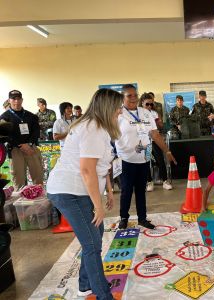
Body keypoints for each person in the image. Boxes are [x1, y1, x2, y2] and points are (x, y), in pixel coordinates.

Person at [47, 88, 121, 300]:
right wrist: (97, 206)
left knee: (95, 237)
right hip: (69, 191)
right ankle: (103, 295)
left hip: (80, 190)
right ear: (107, 108)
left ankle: (85, 285)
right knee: (92, 245)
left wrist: (108, 190)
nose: (120, 112)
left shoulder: (98, 128)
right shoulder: (92, 129)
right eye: (117, 108)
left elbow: (102, 164)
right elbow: (87, 170)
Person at [116, 84, 177, 230]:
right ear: (122, 97)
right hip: (125, 159)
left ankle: (142, 218)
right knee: (126, 190)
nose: (133, 98)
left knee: (141, 190)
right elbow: (109, 136)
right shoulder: (117, 114)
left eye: (135, 95)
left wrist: (167, 151)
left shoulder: (146, 113)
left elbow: (154, 134)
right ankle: (124, 217)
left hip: (144, 158)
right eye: (129, 95)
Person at [0, 90, 43, 189]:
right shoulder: (4, 117)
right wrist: (21, 145)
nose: (16, 101)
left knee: (38, 178)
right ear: (9, 100)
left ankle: (40, 202)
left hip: (31, 149)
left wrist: (29, 143)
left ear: (22, 100)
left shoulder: (31, 116)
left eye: (19, 99)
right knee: (18, 181)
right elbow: (4, 136)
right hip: (15, 150)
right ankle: (20, 203)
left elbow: (36, 131)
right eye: (14, 99)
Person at [139, 93, 173, 191]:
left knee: (160, 160)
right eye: (147, 104)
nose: (149, 106)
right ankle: (149, 182)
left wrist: (160, 123)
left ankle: (165, 181)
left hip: (155, 140)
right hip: (145, 141)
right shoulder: (138, 113)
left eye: (151, 104)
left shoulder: (154, 113)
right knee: (146, 160)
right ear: (142, 103)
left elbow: (160, 126)